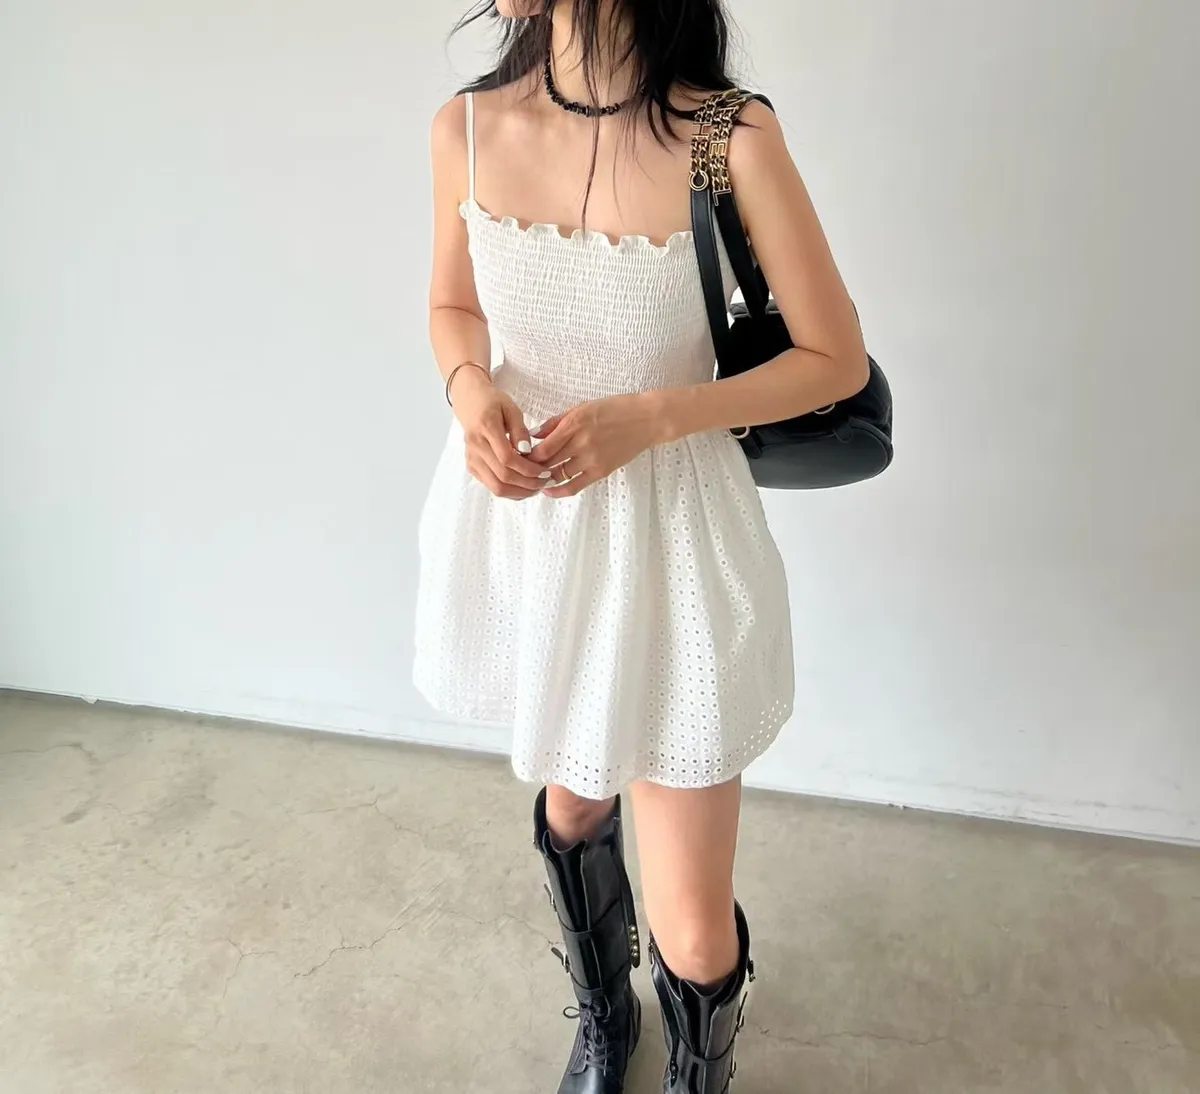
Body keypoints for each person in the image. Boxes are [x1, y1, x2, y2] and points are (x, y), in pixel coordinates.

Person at [414, 1, 867, 1089]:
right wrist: (471, 392)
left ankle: (697, 1063)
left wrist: (653, 416)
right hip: (533, 531)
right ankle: (606, 1018)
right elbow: (452, 304)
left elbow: (835, 359)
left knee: (693, 929)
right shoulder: (467, 126)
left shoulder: (727, 140)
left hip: (674, 545)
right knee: (572, 805)